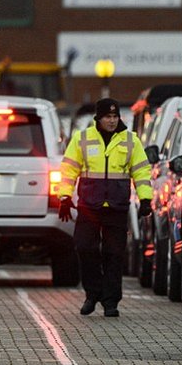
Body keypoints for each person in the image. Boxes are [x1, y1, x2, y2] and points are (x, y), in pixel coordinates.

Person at [58, 98, 153, 317]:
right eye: (107, 117)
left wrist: (145, 199)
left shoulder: (131, 140)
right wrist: (64, 197)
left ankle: (110, 302)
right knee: (84, 247)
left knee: (114, 254)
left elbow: (141, 171)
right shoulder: (82, 138)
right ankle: (93, 294)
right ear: (98, 118)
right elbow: (69, 169)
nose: (111, 121)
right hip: (89, 205)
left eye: (114, 116)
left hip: (117, 206)